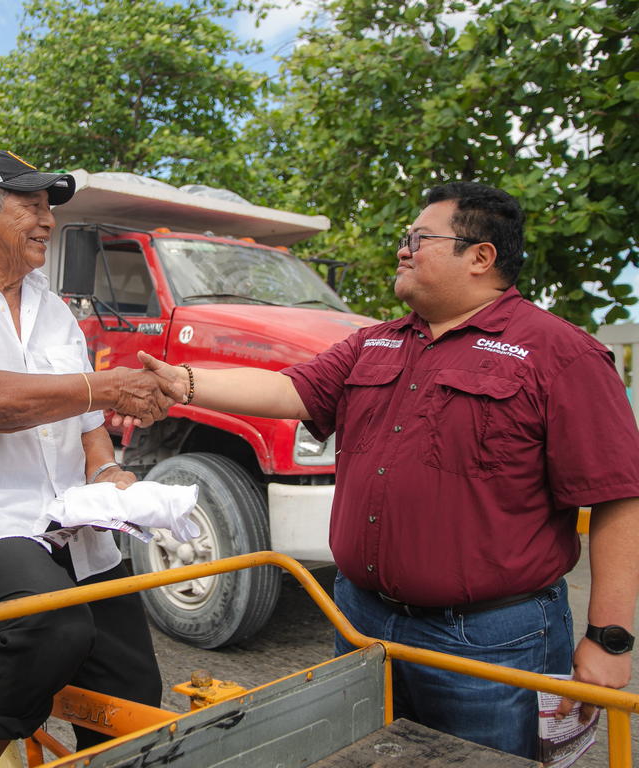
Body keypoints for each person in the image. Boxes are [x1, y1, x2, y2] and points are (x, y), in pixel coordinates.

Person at [136, 181, 639, 759]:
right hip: (361, 621)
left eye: (419, 239)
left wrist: (609, 640)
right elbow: (287, 390)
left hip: (488, 642)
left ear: (481, 256)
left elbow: (617, 496)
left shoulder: (561, 354)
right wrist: (181, 382)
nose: (403, 249)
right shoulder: (374, 343)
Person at [0, 151, 183, 768]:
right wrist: (105, 386)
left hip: (69, 525)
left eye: (49, 208)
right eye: (32, 205)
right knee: (53, 626)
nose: (47, 220)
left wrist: (106, 472)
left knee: (132, 686)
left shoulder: (55, 310)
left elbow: (89, 428)